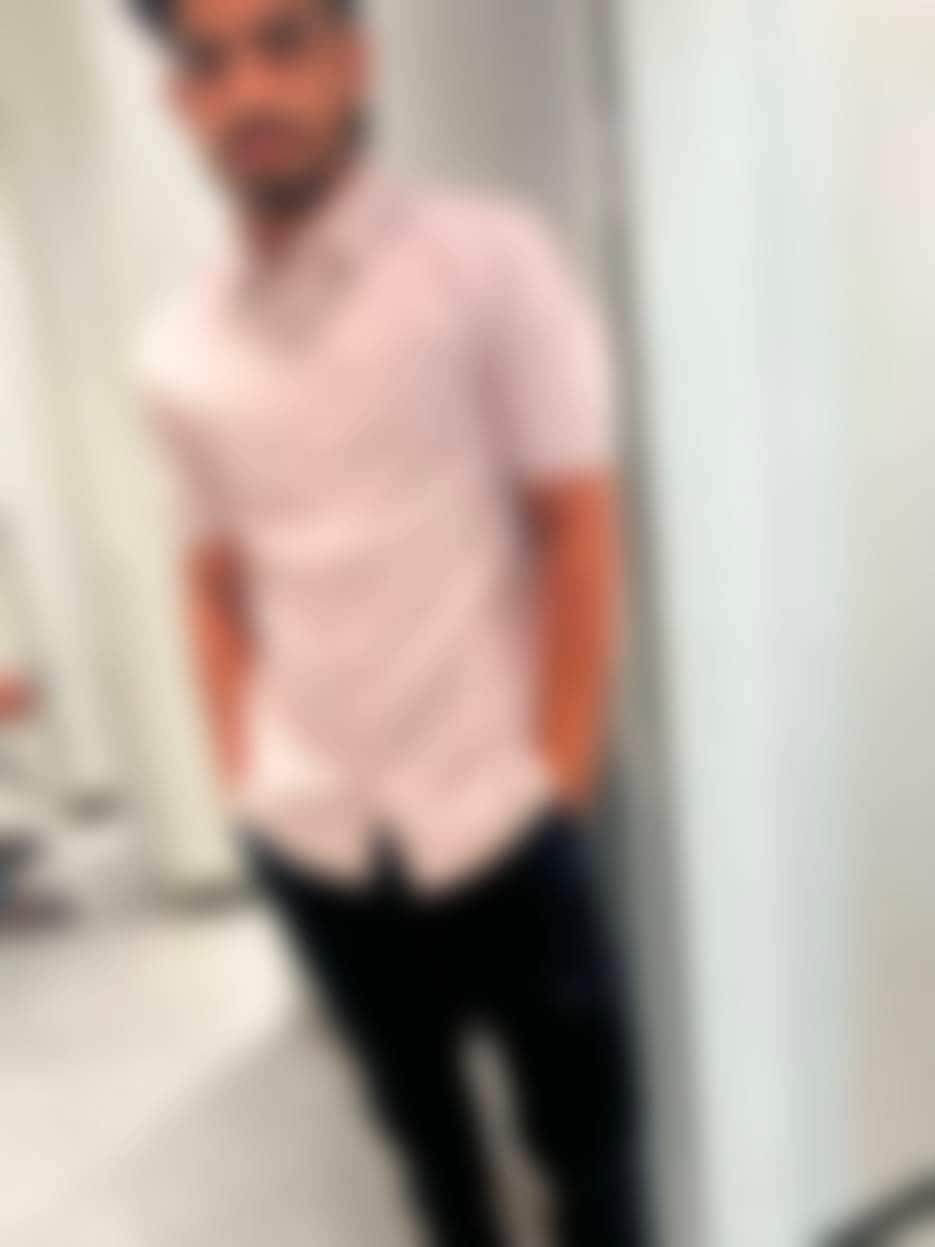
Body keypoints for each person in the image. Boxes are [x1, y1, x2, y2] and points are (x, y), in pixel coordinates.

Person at [132, 1, 650, 1242]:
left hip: (502, 819)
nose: (250, 91)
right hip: (317, 836)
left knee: (591, 1159)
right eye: (208, 63)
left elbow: (577, 527)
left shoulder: (488, 263)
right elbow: (212, 576)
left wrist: (554, 787)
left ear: (352, 59)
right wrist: (245, 781)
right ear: (179, 101)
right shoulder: (176, 353)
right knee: (429, 1159)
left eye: (283, 42)